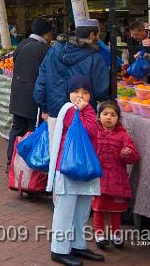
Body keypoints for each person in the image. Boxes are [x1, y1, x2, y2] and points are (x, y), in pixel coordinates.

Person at [47, 75, 104, 265]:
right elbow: (91, 129)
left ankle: (77, 244)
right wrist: (87, 109)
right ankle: (59, 249)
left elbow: (93, 131)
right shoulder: (70, 110)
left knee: (82, 210)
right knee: (65, 209)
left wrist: (87, 110)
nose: (81, 96)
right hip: (68, 168)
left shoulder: (85, 110)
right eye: (76, 92)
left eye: (85, 92)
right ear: (68, 93)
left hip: (85, 168)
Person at [34, 18, 110, 121]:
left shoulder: (52, 52)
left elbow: (40, 85)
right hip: (83, 116)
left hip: (55, 113)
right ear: (92, 35)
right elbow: (101, 92)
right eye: (98, 35)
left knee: (55, 137)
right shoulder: (95, 58)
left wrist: (44, 109)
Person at [6, 18, 54, 168]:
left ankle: (11, 163)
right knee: (33, 130)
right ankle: (28, 166)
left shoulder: (21, 44)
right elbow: (50, 74)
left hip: (18, 95)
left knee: (17, 129)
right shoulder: (44, 49)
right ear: (46, 35)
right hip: (33, 98)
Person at [92, 100, 140, 249]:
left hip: (116, 179)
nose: (109, 117)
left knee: (116, 209)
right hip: (98, 178)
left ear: (118, 119)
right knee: (98, 207)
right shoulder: (94, 133)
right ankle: (98, 233)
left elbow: (134, 156)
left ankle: (116, 233)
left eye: (113, 115)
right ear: (99, 117)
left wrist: (127, 153)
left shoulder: (123, 136)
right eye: (105, 114)